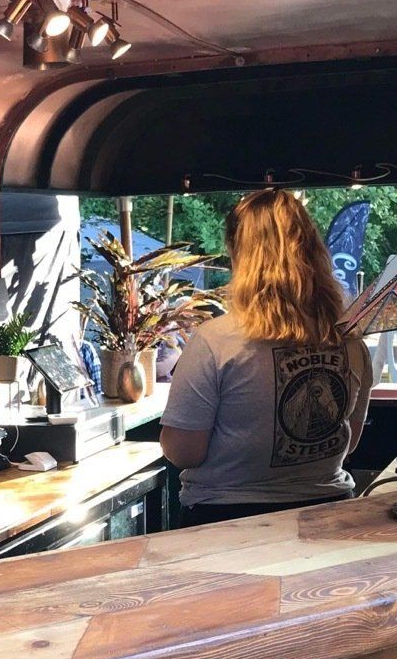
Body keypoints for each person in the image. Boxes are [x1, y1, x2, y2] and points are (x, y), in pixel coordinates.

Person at [160, 189, 373, 526]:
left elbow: (184, 451)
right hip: (330, 515)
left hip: (225, 524)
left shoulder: (215, 340)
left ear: (239, 255)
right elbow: (349, 443)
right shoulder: (350, 341)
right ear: (314, 252)